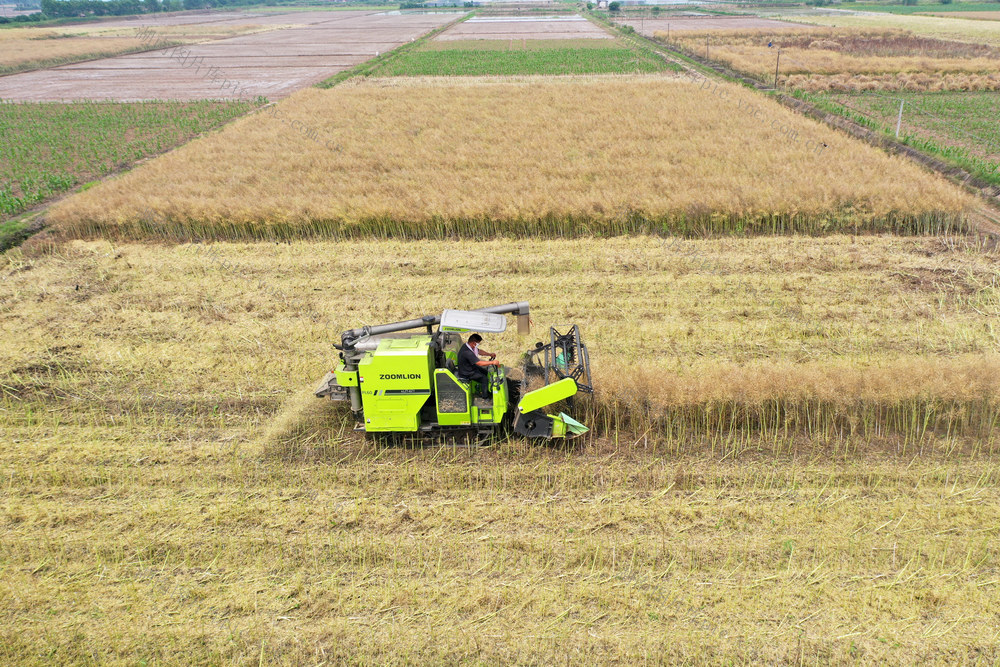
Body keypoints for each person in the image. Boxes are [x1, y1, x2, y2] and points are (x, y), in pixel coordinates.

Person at [457, 333, 499, 400]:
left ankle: (485, 389)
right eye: (478, 343)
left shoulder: (469, 346)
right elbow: (479, 363)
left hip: (470, 367)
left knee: (485, 372)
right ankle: (485, 397)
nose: (478, 345)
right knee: (484, 379)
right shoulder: (467, 352)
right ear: (474, 343)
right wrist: (492, 362)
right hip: (466, 373)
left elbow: (479, 351)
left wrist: (489, 354)